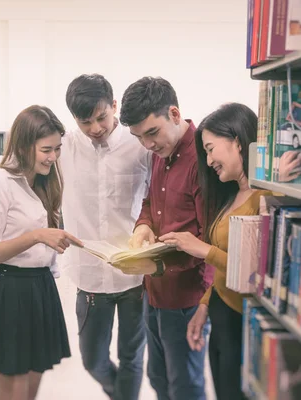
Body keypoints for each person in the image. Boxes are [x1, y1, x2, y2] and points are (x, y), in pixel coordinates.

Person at [0, 74, 152, 400]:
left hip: (134, 275)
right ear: (74, 119)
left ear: (114, 107)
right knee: (93, 360)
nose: (95, 128)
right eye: (85, 122)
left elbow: (156, 193)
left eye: (101, 117)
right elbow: (7, 165)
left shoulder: (138, 145)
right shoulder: (64, 148)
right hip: (89, 276)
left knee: (132, 357)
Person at [159, 103, 273, 400]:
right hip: (221, 315)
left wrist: (200, 249)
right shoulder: (234, 195)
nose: (208, 161)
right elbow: (226, 263)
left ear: (237, 141)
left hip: (240, 322)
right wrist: (205, 306)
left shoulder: (265, 198)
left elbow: (252, 273)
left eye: (211, 149)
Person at [0, 105, 83, 400]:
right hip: (7, 291)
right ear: (23, 145)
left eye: (57, 149)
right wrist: (35, 237)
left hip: (40, 288)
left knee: (31, 390)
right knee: (15, 392)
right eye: (46, 149)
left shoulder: (45, 181)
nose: (53, 157)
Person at [114, 77, 213, 400]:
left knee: (184, 387)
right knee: (158, 380)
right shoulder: (160, 153)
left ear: (174, 113)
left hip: (187, 299)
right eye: (138, 137)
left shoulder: (204, 159)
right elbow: (149, 202)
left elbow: (211, 239)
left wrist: (202, 305)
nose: (147, 145)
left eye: (152, 133)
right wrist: (143, 226)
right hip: (154, 294)